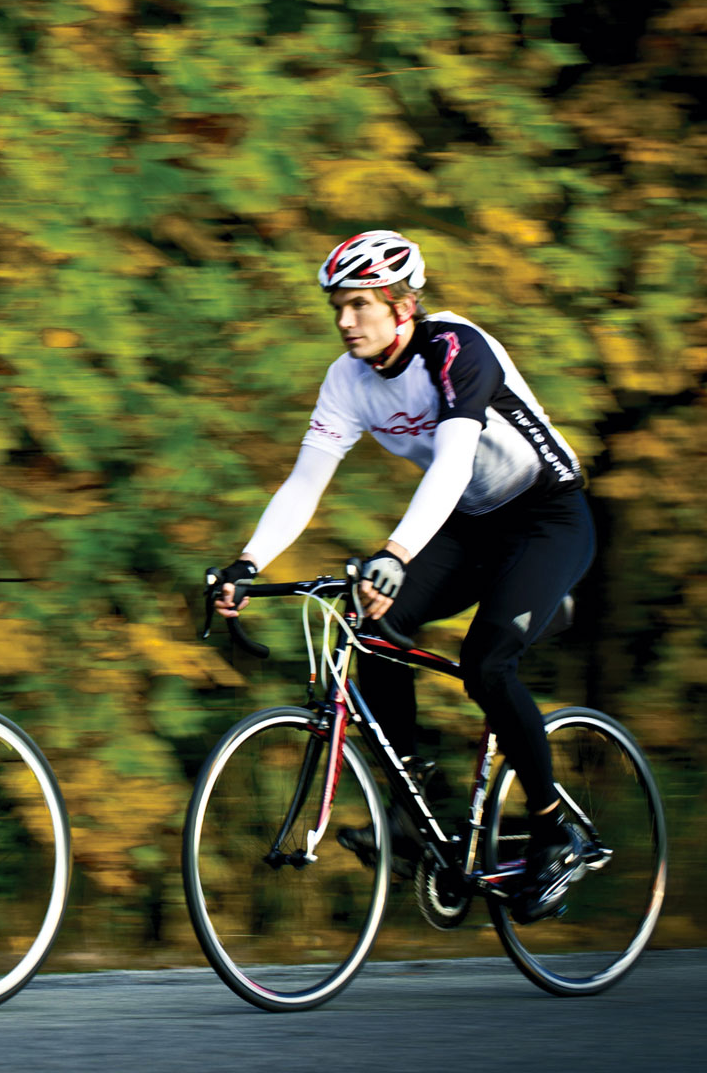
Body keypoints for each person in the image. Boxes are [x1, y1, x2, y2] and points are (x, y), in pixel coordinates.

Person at [211, 230, 594, 922]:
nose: (344, 320)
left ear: (401, 304)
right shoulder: (346, 380)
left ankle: (552, 831)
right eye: (338, 306)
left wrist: (396, 549)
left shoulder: (456, 350)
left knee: (486, 666)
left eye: (359, 305)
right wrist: (248, 562)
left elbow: (452, 463)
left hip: (547, 516)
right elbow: (305, 485)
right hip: (473, 523)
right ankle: (414, 803)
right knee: (374, 625)